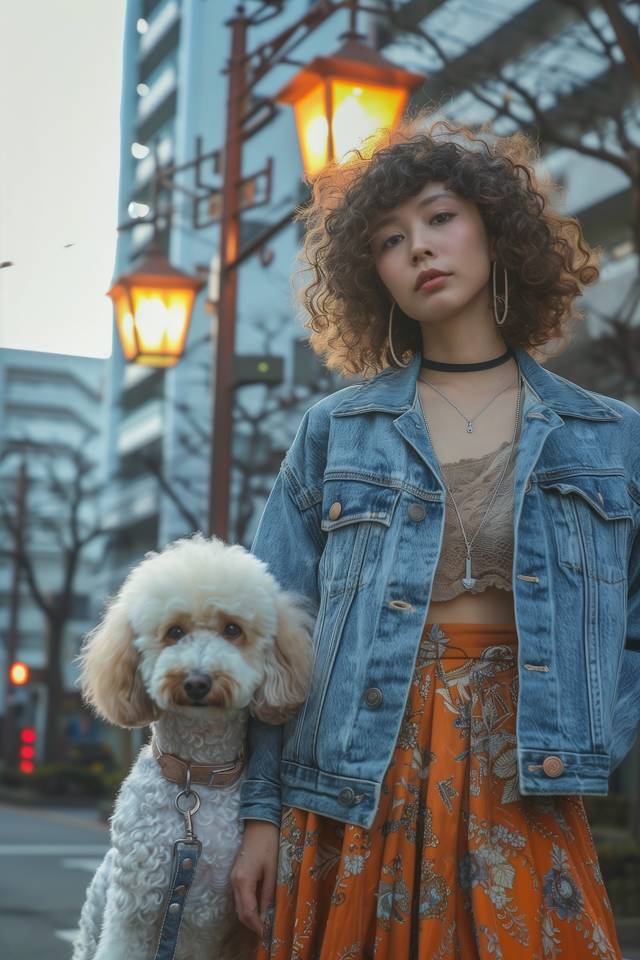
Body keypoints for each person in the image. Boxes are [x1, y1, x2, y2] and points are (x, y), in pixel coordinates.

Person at [230, 117, 640, 959]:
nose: (419, 248)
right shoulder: (335, 431)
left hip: (524, 776)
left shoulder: (610, 437)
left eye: (440, 217)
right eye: (390, 238)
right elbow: (270, 634)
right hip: (347, 780)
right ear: (370, 273)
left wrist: (594, 732)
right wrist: (260, 817)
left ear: (495, 230)